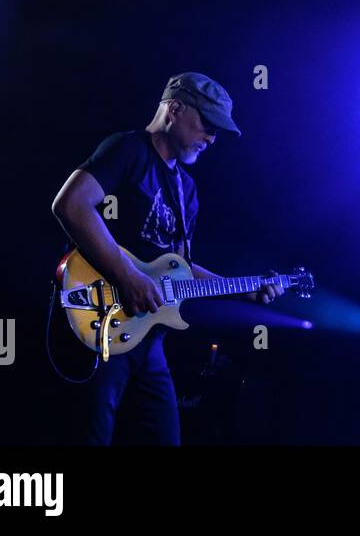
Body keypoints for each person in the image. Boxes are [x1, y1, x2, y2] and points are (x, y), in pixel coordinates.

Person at [51, 72, 283, 445]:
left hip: (148, 339)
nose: (211, 138)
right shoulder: (128, 150)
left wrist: (245, 290)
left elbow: (181, 269)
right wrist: (127, 276)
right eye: (207, 124)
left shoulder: (186, 189)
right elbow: (71, 205)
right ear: (174, 109)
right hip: (102, 321)